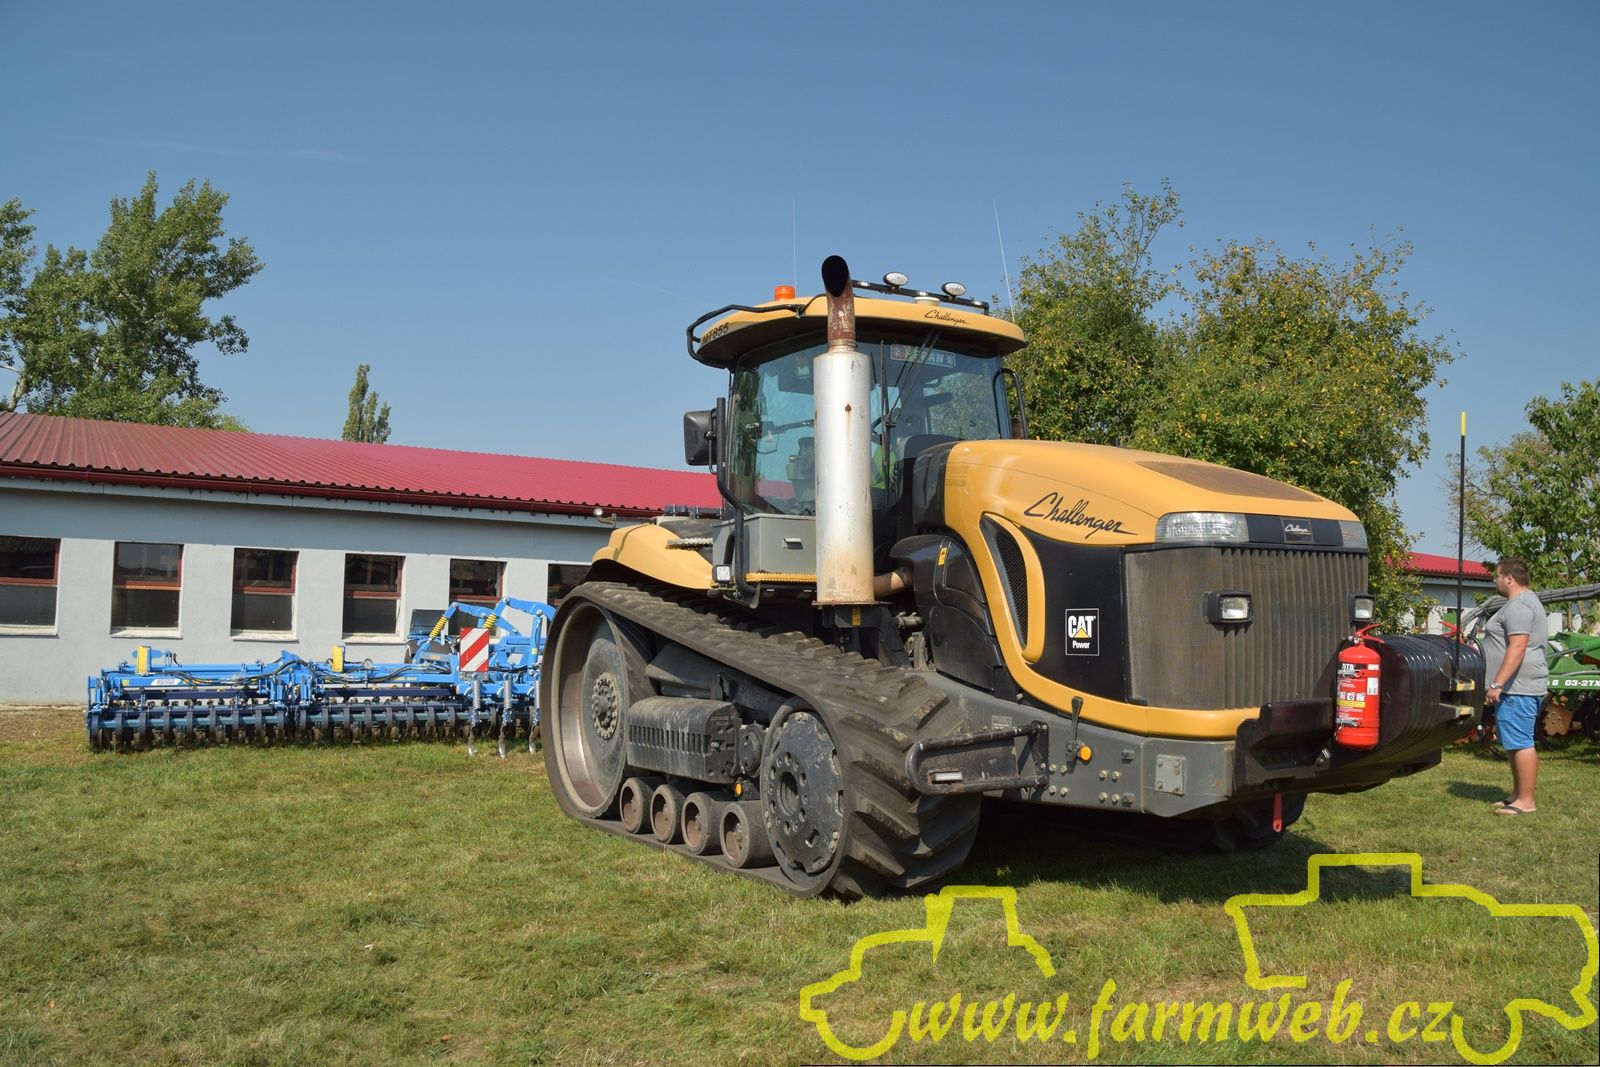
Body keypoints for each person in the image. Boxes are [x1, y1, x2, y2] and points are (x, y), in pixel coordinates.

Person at [1483, 558, 1548, 815]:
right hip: (1515, 686)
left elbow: (1518, 647)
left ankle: (1527, 802)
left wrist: (1497, 682)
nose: (1495, 580)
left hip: (1518, 686)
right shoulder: (1520, 603)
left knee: (1521, 742)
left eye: (1497, 576)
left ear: (1508, 578)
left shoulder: (1520, 605)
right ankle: (1517, 795)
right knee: (1513, 742)